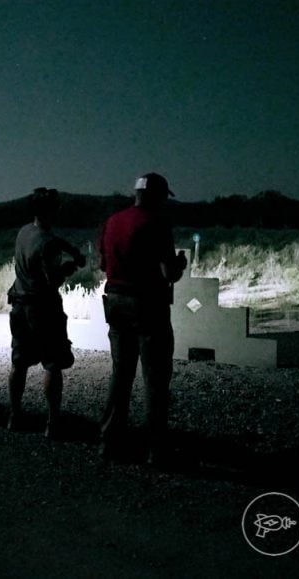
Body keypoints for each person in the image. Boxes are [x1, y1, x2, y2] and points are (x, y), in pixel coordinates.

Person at [97, 173, 187, 464]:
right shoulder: (157, 223)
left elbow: (102, 264)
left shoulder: (113, 222)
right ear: (157, 196)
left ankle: (109, 441)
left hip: (115, 300)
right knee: (156, 378)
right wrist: (180, 266)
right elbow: (168, 273)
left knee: (121, 374)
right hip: (147, 303)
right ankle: (155, 448)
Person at [6, 188, 85, 438]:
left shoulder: (24, 231)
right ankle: (52, 422)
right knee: (52, 364)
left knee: (19, 363)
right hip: (43, 308)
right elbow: (53, 281)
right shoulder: (48, 245)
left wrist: (70, 248)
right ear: (51, 210)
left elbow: (48, 238)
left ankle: (14, 415)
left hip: (19, 304)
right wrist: (69, 268)